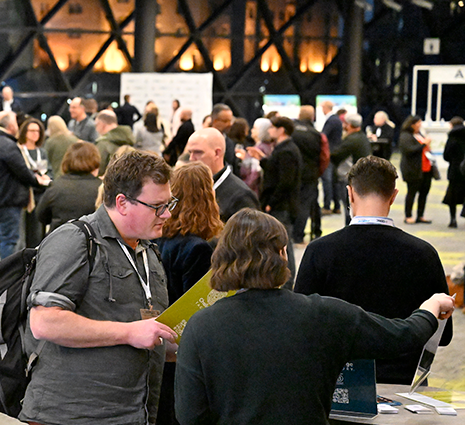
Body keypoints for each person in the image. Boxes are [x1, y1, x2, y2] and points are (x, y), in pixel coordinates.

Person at [175, 208, 455, 425]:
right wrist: (430, 307)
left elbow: (189, 415)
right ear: (283, 255)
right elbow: (402, 335)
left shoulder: (200, 327)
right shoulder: (325, 314)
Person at [20, 150, 177, 425]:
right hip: (73, 414)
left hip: (132, 411)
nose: (166, 215)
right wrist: (129, 333)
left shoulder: (147, 249)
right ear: (123, 203)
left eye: (169, 204)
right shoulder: (75, 240)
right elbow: (45, 322)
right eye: (158, 206)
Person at [295, 156, 453, 384]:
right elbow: (443, 335)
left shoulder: (319, 251)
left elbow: (303, 327)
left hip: (338, 384)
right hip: (403, 384)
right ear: (394, 196)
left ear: (349, 194)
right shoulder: (423, 254)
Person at [153, 161, 221, 425]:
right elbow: (197, 311)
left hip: (157, 343)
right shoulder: (198, 249)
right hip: (180, 352)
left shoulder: (156, 240)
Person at [0, 111, 48, 272]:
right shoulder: (8, 146)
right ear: (11, 126)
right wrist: (38, 181)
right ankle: (6, 279)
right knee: (9, 242)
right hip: (8, 200)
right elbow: (23, 172)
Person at [246, 116, 301, 287]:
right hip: (282, 204)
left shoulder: (287, 151)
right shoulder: (283, 149)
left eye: (272, 128)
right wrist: (262, 159)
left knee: (284, 244)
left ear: (281, 130)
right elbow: (275, 170)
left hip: (282, 205)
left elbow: (285, 181)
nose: (269, 131)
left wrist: (272, 201)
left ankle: (288, 283)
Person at [185, 128, 259, 224]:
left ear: (217, 153)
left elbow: (249, 237)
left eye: (198, 152)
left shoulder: (241, 196)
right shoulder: (191, 186)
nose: (191, 158)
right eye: (190, 152)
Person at [35, 141, 102, 232]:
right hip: (92, 240)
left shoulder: (56, 186)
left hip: (59, 239)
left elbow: (41, 216)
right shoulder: (101, 188)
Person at [330, 112, 371, 224]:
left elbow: (335, 155)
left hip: (350, 178)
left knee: (350, 210)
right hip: (362, 178)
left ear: (348, 125)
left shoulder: (351, 140)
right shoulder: (362, 137)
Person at [290, 105, 324, 241]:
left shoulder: (291, 130)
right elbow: (322, 156)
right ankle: (298, 235)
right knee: (305, 204)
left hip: (292, 172)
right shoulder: (316, 134)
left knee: (292, 202)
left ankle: (290, 232)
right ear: (312, 116)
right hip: (310, 174)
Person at [18, 117, 49, 249]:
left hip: (40, 194)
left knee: (36, 233)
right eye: (31, 131)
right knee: (22, 232)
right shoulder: (19, 150)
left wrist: (47, 177)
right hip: (24, 194)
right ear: (25, 132)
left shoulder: (42, 152)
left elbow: (49, 169)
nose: (35, 134)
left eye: (37, 131)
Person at [398, 115, 434, 224]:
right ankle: (408, 215)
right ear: (412, 124)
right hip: (413, 169)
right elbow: (409, 150)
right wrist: (423, 145)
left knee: (424, 193)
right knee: (412, 193)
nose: (420, 125)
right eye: (418, 123)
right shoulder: (405, 136)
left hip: (426, 168)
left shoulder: (419, 134)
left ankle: (420, 215)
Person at [320, 101, 344, 215]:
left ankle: (327, 206)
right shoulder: (336, 119)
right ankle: (337, 206)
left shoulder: (331, 120)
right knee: (334, 180)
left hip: (329, 153)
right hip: (334, 153)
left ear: (325, 108)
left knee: (327, 180)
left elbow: (324, 135)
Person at [94, 109, 135, 174]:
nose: (96, 129)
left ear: (102, 124)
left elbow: (99, 170)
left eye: (96, 125)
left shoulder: (102, 143)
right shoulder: (129, 139)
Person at [443, 117, 465, 228]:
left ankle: (453, 219)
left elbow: (446, 155)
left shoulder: (452, 137)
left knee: (453, 196)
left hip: (455, 171)